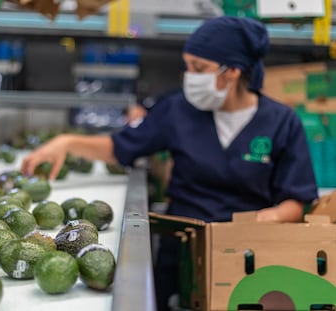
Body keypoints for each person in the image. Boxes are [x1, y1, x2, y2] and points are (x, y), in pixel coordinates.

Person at [21, 16, 318, 310]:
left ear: (233, 71)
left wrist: (271, 217)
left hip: (249, 257)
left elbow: (297, 199)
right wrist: (67, 142)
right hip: (181, 252)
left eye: (199, 68)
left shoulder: (281, 122)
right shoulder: (178, 109)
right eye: (187, 66)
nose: (189, 76)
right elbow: (120, 147)